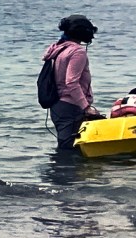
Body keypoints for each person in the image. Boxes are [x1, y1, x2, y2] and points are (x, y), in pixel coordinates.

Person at [41, 13, 98, 151]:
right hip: (71, 106)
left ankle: (59, 171)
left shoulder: (57, 49)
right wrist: (86, 107)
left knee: (67, 144)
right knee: (70, 148)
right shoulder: (77, 52)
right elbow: (71, 82)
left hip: (57, 106)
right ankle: (64, 171)